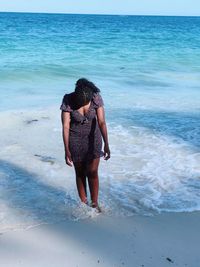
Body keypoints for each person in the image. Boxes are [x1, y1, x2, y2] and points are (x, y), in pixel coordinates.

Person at [60, 78, 110, 212]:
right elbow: (65, 126)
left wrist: (106, 144)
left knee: (92, 172)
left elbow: (102, 122)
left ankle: (94, 204)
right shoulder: (68, 100)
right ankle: (84, 205)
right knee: (80, 173)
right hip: (75, 140)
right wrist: (66, 150)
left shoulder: (96, 98)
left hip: (94, 138)